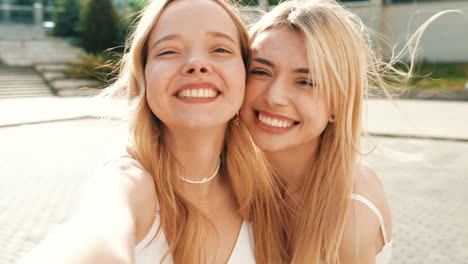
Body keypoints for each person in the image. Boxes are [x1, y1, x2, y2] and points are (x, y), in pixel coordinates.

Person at [18, 0, 284, 263]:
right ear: (143, 76)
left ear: (245, 73)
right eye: (168, 51)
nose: (196, 63)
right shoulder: (127, 183)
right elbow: (96, 230)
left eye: (220, 49)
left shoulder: (267, 192)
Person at [240, 0, 435, 263]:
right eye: (261, 71)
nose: (275, 97)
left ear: (338, 104)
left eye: (305, 81)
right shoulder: (236, 177)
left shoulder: (349, 215)